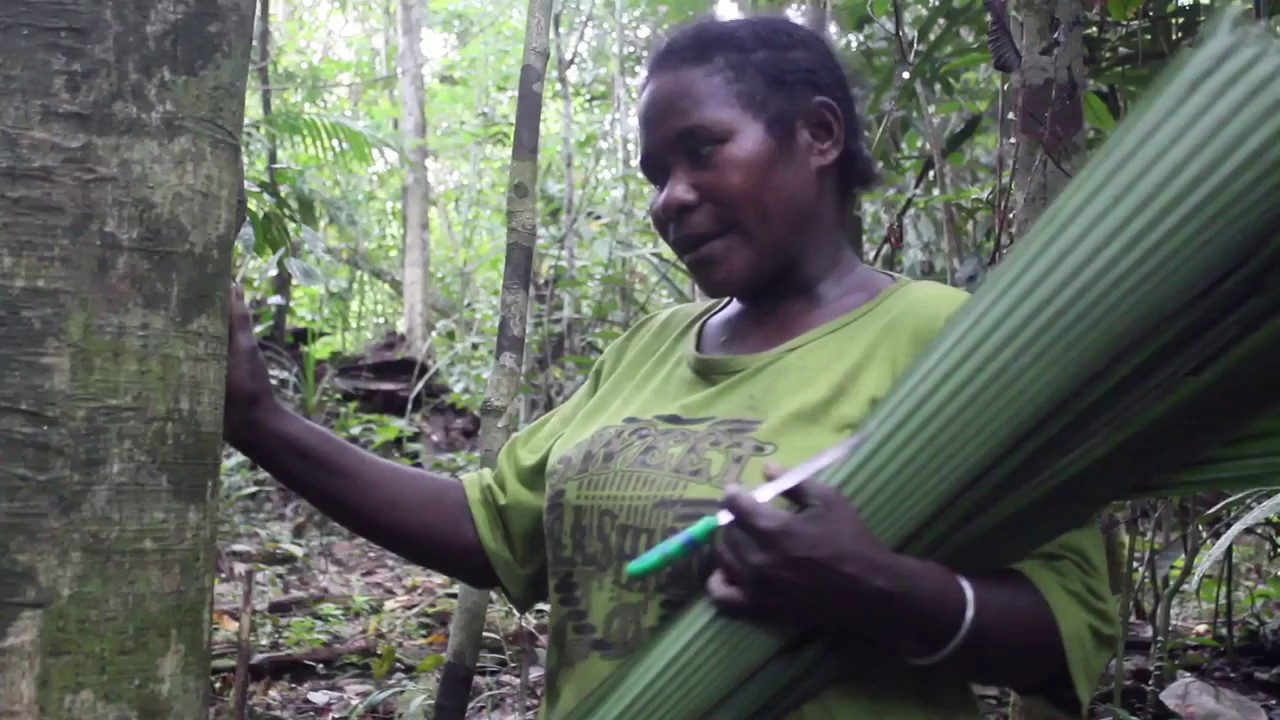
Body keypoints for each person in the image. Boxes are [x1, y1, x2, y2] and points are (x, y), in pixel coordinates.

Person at [222, 15, 1118, 720]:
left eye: (702, 150)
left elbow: (1070, 628)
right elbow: (491, 527)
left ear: (818, 135)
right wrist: (262, 421)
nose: (669, 199)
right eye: (655, 172)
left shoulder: (941, 335)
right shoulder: (648, 348)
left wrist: (879, 588)